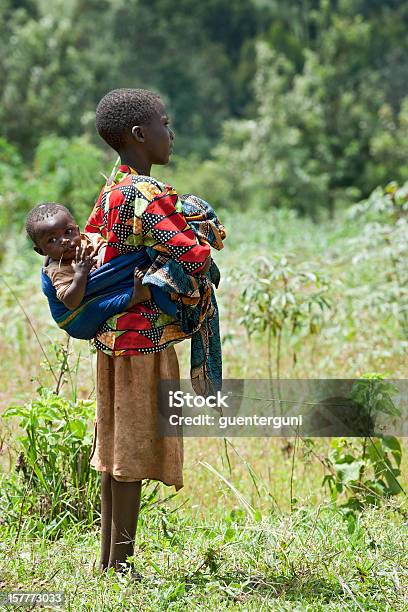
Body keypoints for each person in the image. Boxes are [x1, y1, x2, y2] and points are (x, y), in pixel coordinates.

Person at [85, 88, 223, 575]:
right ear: (140, 135)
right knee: (133, 451)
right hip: (143, 338)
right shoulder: (146, 195)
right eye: (164, 123)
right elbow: (192, 254)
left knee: (116, 450)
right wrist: (205, 229)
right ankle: (121, 568)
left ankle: (108, 562)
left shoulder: (112, 189)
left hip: (110, 336)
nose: (172, 132)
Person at [26, 202, 151, 311]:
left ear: (78, 230)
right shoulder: (58, 269)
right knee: (98, 307)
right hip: (90, 304)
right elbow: (70, 303)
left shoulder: (88, 239)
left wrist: (101, 259)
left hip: (113, 280)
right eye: (52, 240)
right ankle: (135, 297)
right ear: (41, 251)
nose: (64, 240)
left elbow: (107, 250)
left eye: (68, 232)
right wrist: (80, 274)